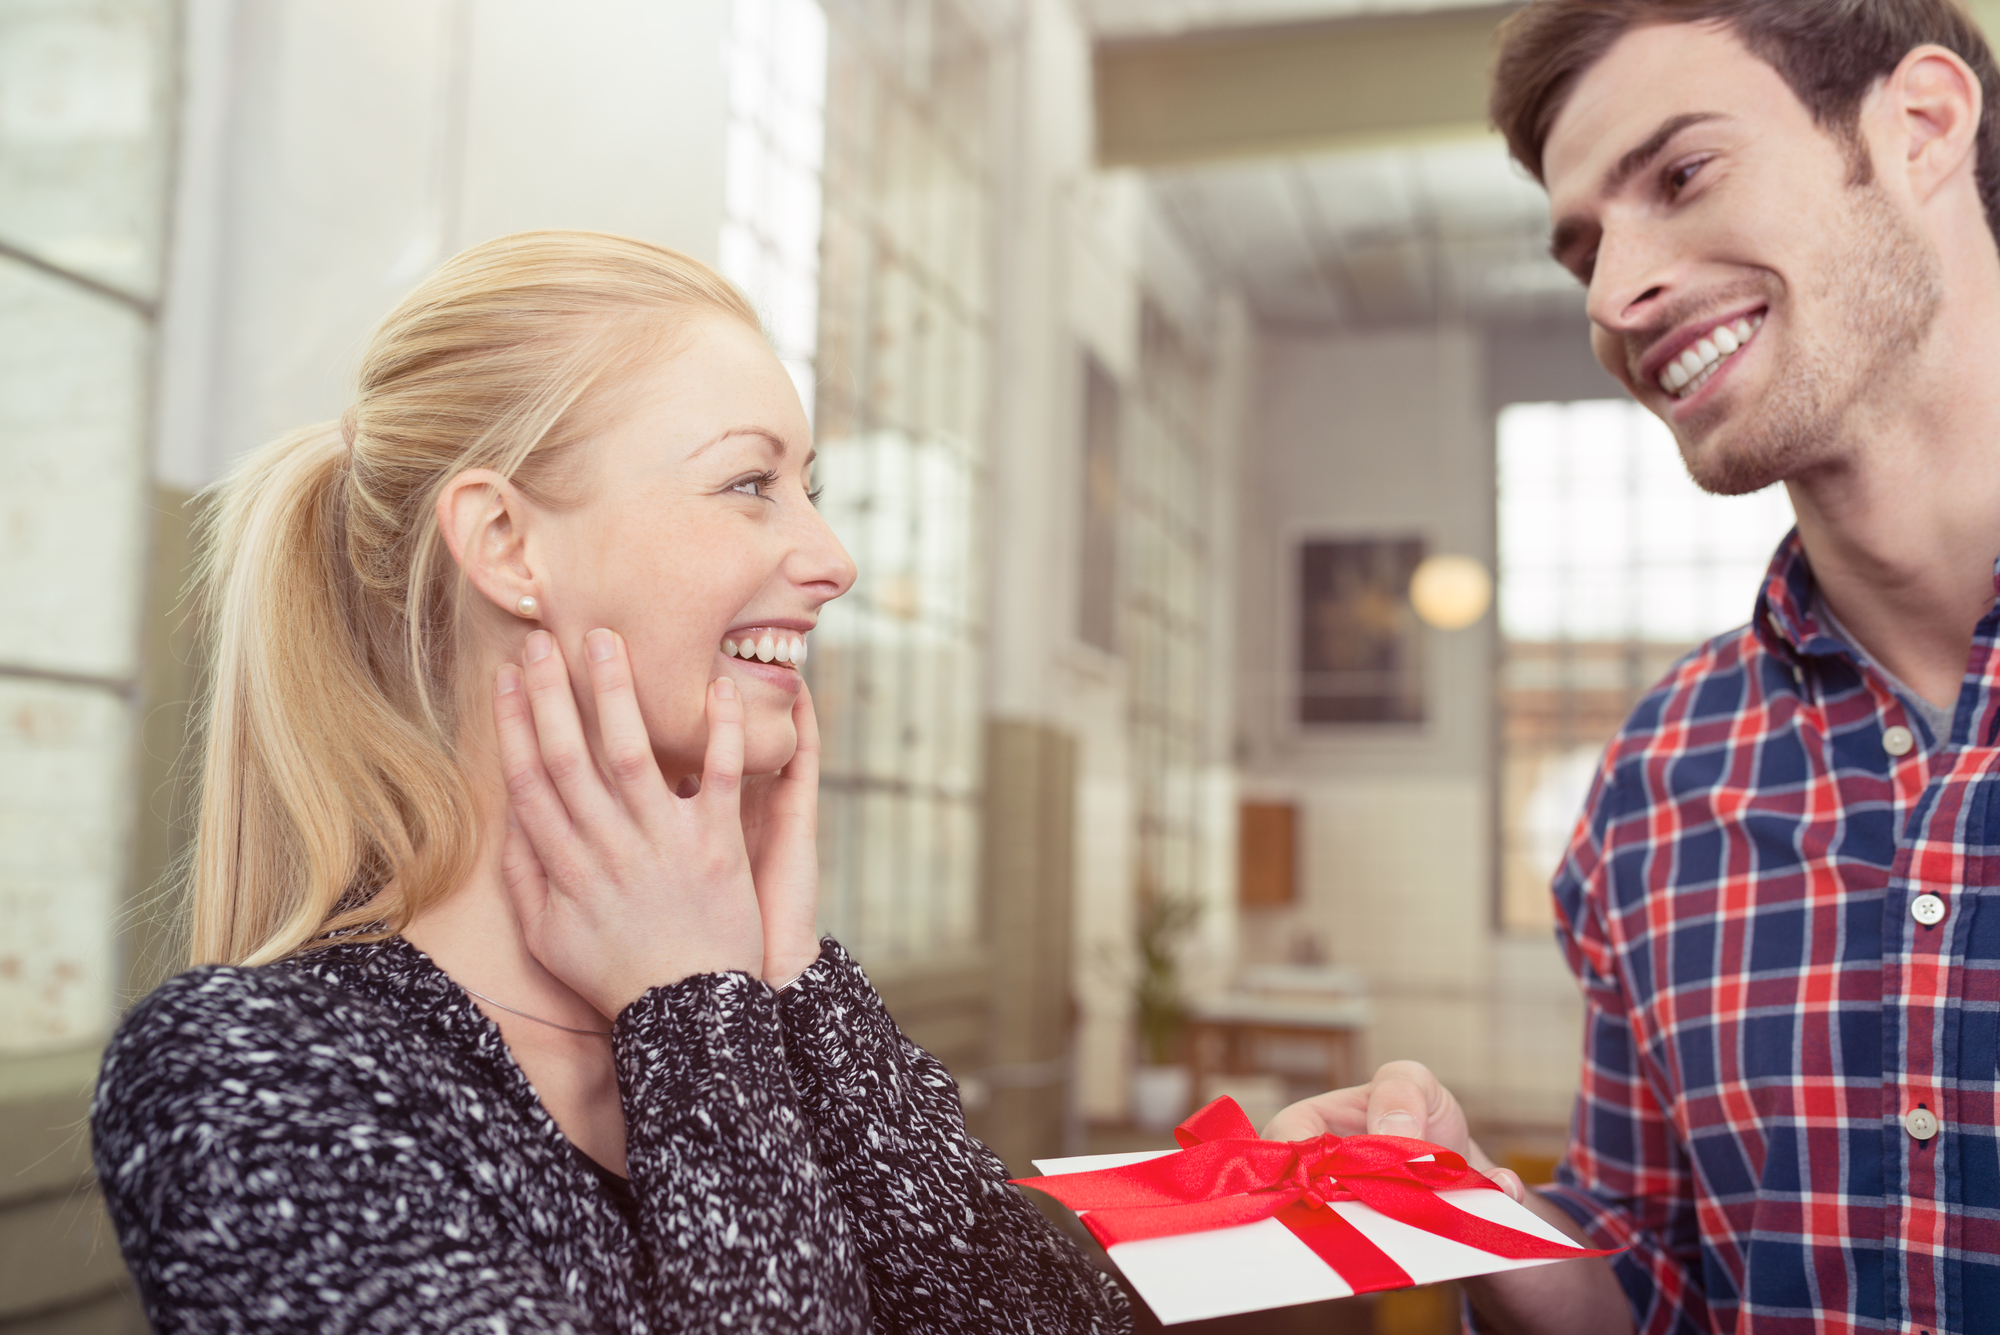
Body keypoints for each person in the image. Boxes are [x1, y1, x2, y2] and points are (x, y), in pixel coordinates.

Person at [90, 231, 1131, 1334]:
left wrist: (786, 993)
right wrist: (693, 1015)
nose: (833, 559)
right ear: (505, 544)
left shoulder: (763, 1009)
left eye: (806, 488)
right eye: (749, 483)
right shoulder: (254, 1076)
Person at [1262, 3, 2000, 1333]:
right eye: (1584, 247)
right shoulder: (1662, 774)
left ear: (1922, 126)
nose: (1613, 298)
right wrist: (1464, 1201)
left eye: (1681, 174)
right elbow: (1649, 1277)